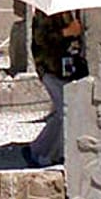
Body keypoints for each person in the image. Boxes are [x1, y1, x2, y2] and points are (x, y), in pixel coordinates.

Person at [24, 9, 85, 167]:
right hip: (49, 68)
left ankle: (47, 151)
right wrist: (66, 32)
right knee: (64, 112)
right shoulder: (45, 13)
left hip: (66, 69)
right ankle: (42, 153)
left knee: (65, 112)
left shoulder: (68, 13)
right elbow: (41, 39)